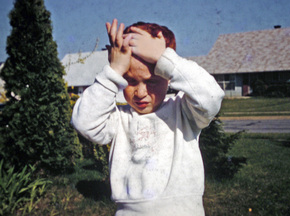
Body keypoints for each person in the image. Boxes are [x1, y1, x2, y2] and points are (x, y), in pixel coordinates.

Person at [71, 18, 225, 216]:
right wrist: (114, 71)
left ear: (167, 76)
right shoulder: (119, 119)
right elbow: (84, 123)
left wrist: (165, 58)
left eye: (152, 81)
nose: (141, 92)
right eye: (130, 81)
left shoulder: (184, 112)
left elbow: (211, 98)